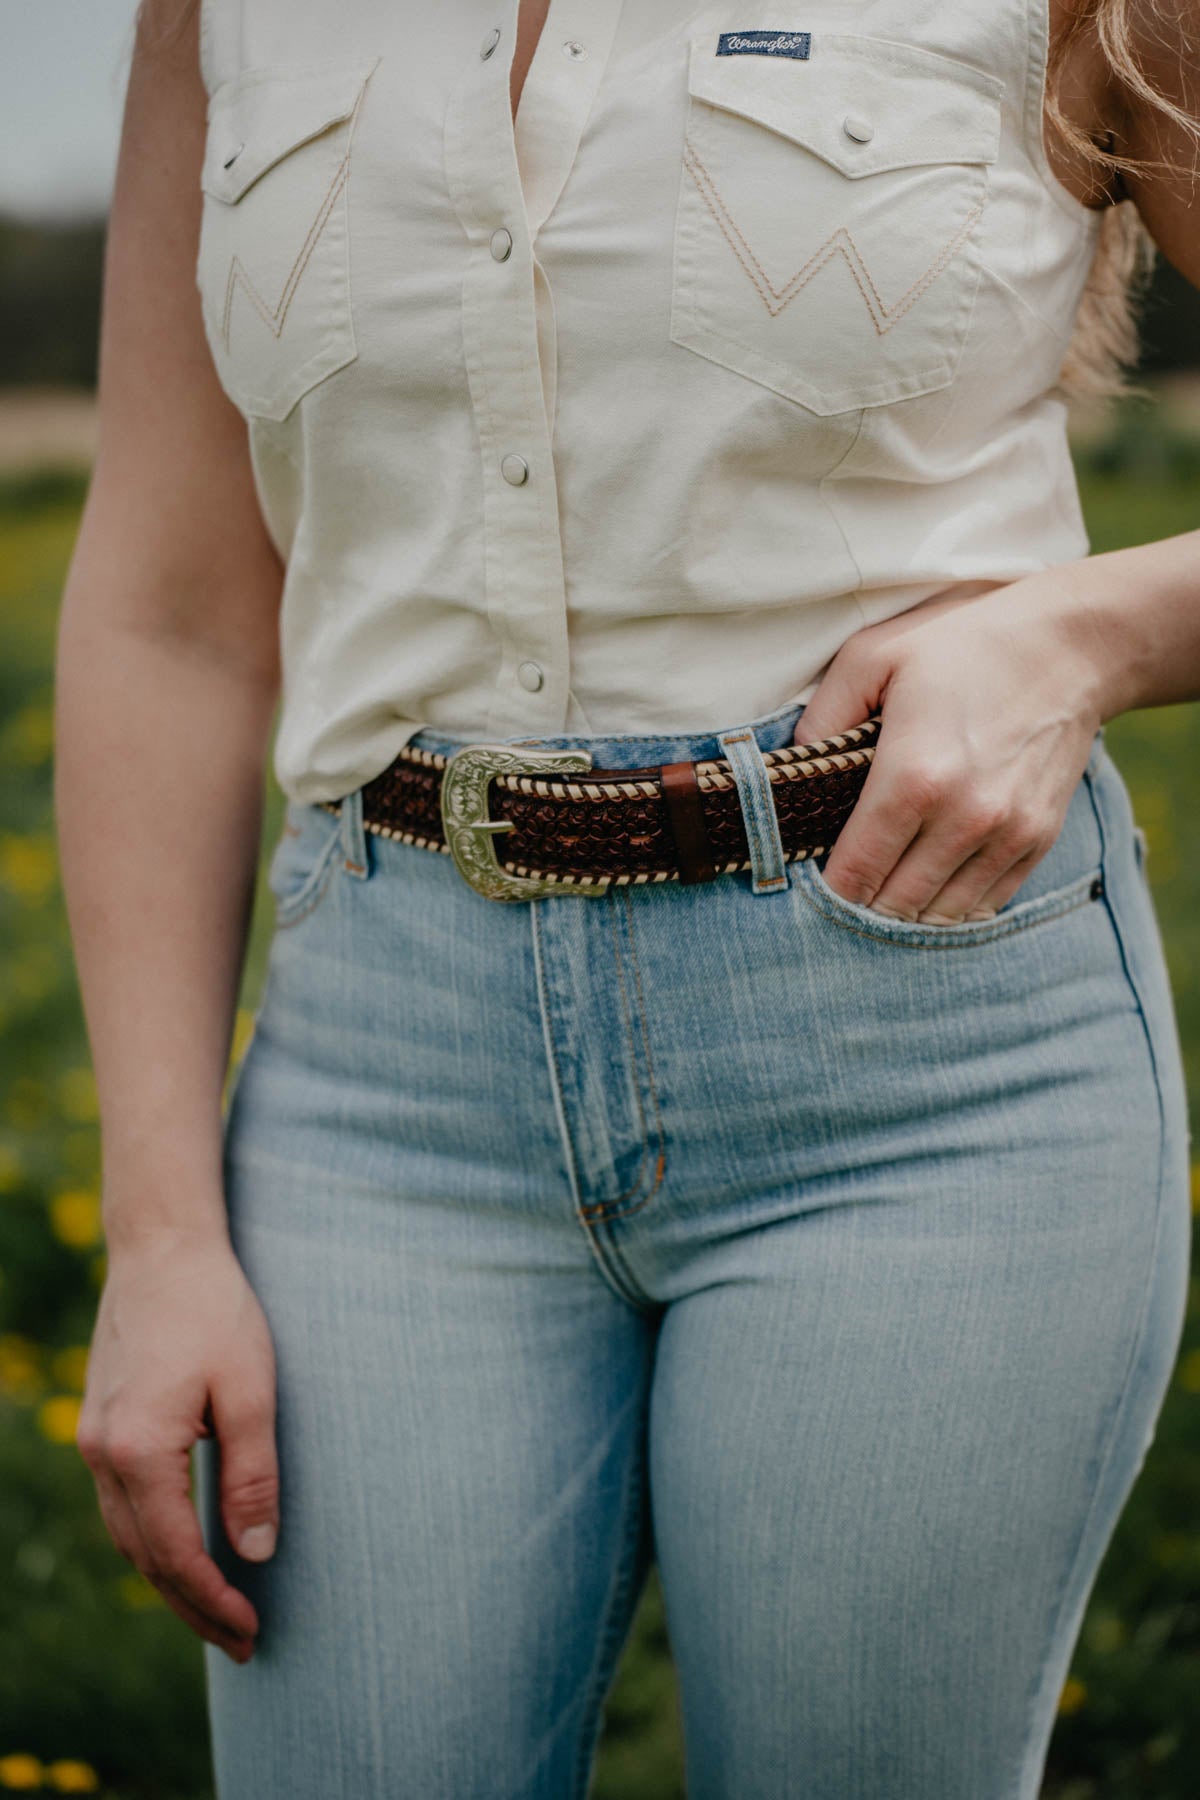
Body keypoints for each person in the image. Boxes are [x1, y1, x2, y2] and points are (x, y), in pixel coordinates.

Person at [57, 1, 1198, 1795]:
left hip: (921, 1068)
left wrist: (1085, 636)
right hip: (385, 1090)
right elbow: (171, 614)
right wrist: (161, 1236)